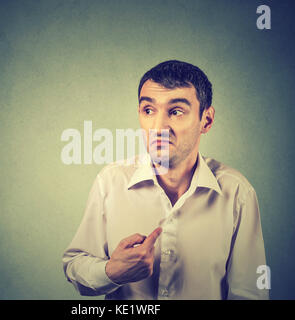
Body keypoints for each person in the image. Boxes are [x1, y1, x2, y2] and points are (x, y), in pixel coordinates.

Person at [62, 60, 269, 300]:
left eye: (176, 111)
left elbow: (249, 294)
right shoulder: (110, 181)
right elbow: (74, 265)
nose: (158, 127)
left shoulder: (237, 192)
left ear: (207, 120)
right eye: (148, 110)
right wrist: (111, 272)